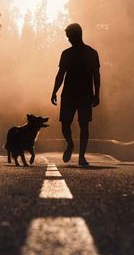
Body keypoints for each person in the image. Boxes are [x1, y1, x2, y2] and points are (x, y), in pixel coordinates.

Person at [51, 23, 100, 166]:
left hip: (84, 94)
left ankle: (82, 157)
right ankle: (70, 144)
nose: (68, 39)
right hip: (69, 94)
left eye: (69, 36)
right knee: (65, 123)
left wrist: (97, 94)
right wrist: (54, 91)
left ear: (77, 35)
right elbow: (60, 74)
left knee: (84, 125)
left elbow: (96, 75)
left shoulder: (91, 53)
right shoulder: (66, 53)